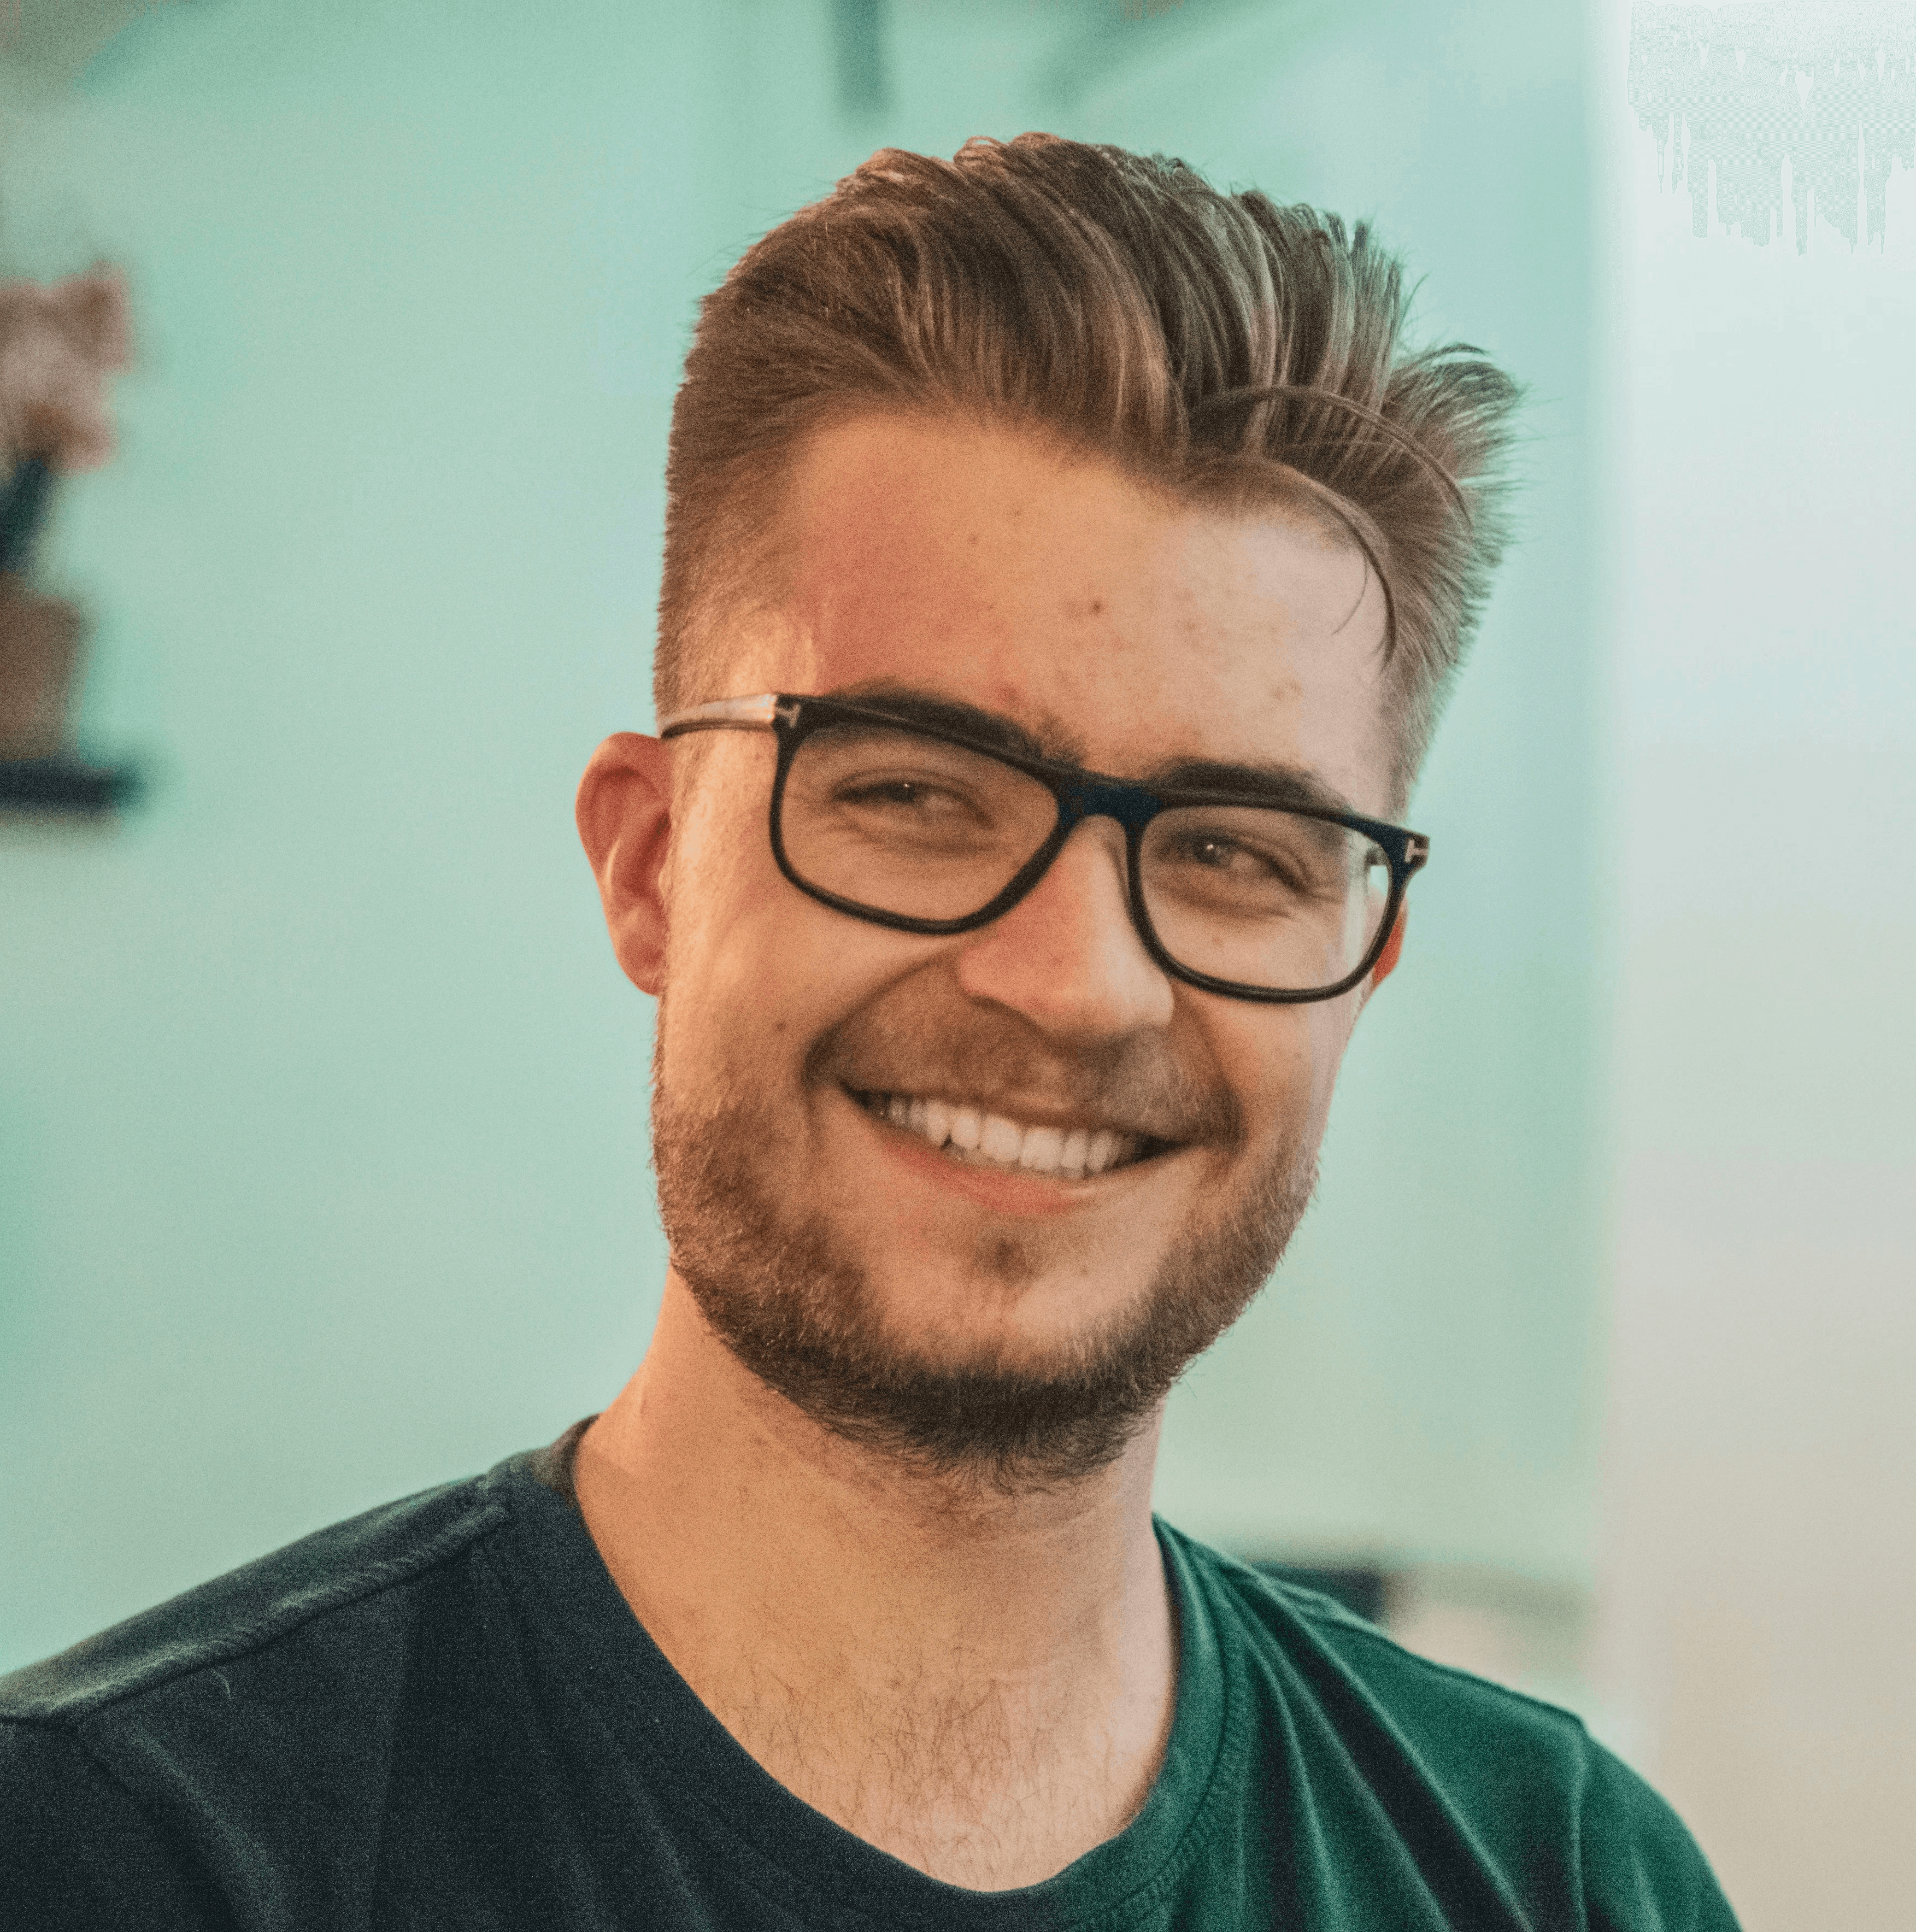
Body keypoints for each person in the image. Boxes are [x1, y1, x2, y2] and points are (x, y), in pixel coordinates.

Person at [0, 134, 1740, 1928]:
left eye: (1233, 852)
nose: (1074, 982)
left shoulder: (1563, 1875)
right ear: (655, 865)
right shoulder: (119, 1857)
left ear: (1362, 966)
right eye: (916, 791)